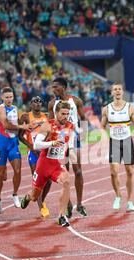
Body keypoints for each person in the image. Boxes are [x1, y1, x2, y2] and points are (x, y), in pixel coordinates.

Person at [20, 101, 74, 227]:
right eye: (62, 114)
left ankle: (61, 216)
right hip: (43, 165)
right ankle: (27, 197)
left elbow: (68, 143)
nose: (65, 117)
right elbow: (37, 145)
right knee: (35, 196)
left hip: (56, 165)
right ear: (56, 113)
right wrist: (51, 143)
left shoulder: (70, 126)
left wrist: (70, 152)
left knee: (66, 181)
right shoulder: (47, 125)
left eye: (67, 114)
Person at [100, 83, 134, 211]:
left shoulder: (130, 108)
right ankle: (118, 196)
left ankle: (130, 201)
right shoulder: (106, 109)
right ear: (112, 93)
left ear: (122, 92)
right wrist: (103, 135)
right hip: (114, 142)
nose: (118, 91)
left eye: (119, 89)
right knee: (114, 172)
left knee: (130, 171)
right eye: (115, 89)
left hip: (126, 141)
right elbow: (101, 126)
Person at [48, 77, 88, 218]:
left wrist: (83, 134)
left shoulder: (76, 101)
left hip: (74, 138)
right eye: (53, 87)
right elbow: (50, 122)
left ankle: (80, 203)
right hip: (60, 140)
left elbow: (83, 118)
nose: (54, 90)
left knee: (78, 171)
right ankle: (68, 203)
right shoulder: (52, 103)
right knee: (64, 173)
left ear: (64, 87)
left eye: (56, 87)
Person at [0, 87, 30, 214]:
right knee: (1, 173)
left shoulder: (15, 109)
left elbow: (20, 123)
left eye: (11, 97)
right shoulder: (1, 108)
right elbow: (5, 125)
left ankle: (15, 194)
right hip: (2, 143)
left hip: (13, 143)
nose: (9, 99)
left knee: (18, 170)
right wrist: (22, 126)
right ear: (2, 98)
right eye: (6, 97)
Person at [18, 96, 51, 217]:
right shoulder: (25, 117)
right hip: (33, 153)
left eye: (40, 101)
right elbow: (20, 136)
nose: (38, 103)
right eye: (35, 101)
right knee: (37, 180)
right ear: (31, 104)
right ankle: (41, 206)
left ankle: (38, 198)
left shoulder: (46, 116)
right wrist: (31, 146)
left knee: (48, 181)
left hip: (45, 152)